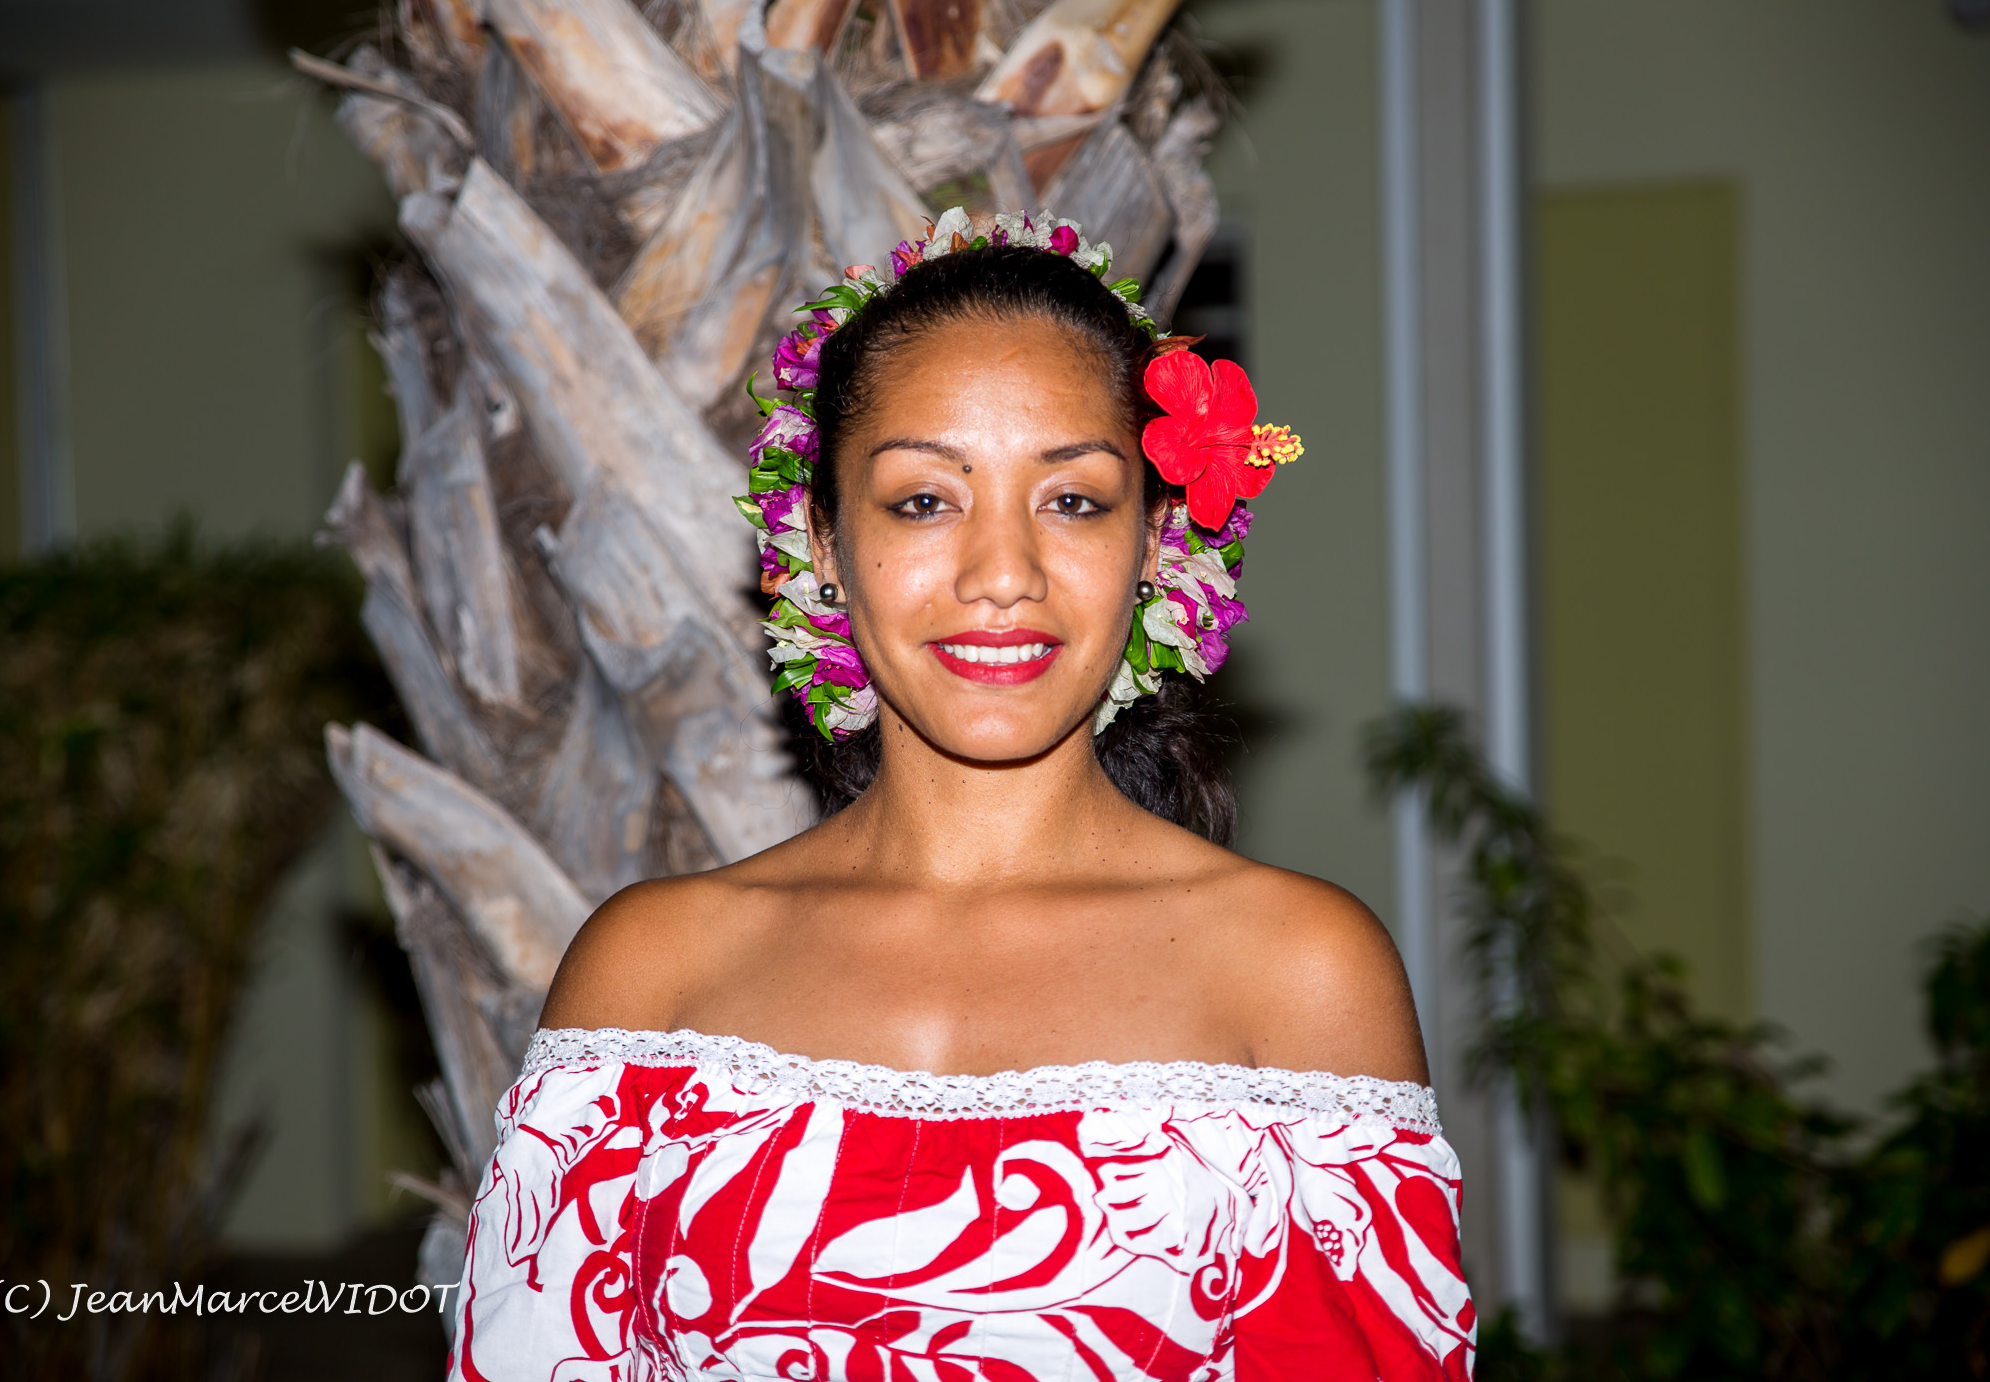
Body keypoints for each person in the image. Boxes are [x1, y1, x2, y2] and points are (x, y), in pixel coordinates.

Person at [450, 211, 1475, 1381]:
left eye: (1074, 500)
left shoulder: (1296, 972)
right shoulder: (650, 972)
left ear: (1155, 538)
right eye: (923, 501)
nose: (1001, 575)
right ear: (821, 540)